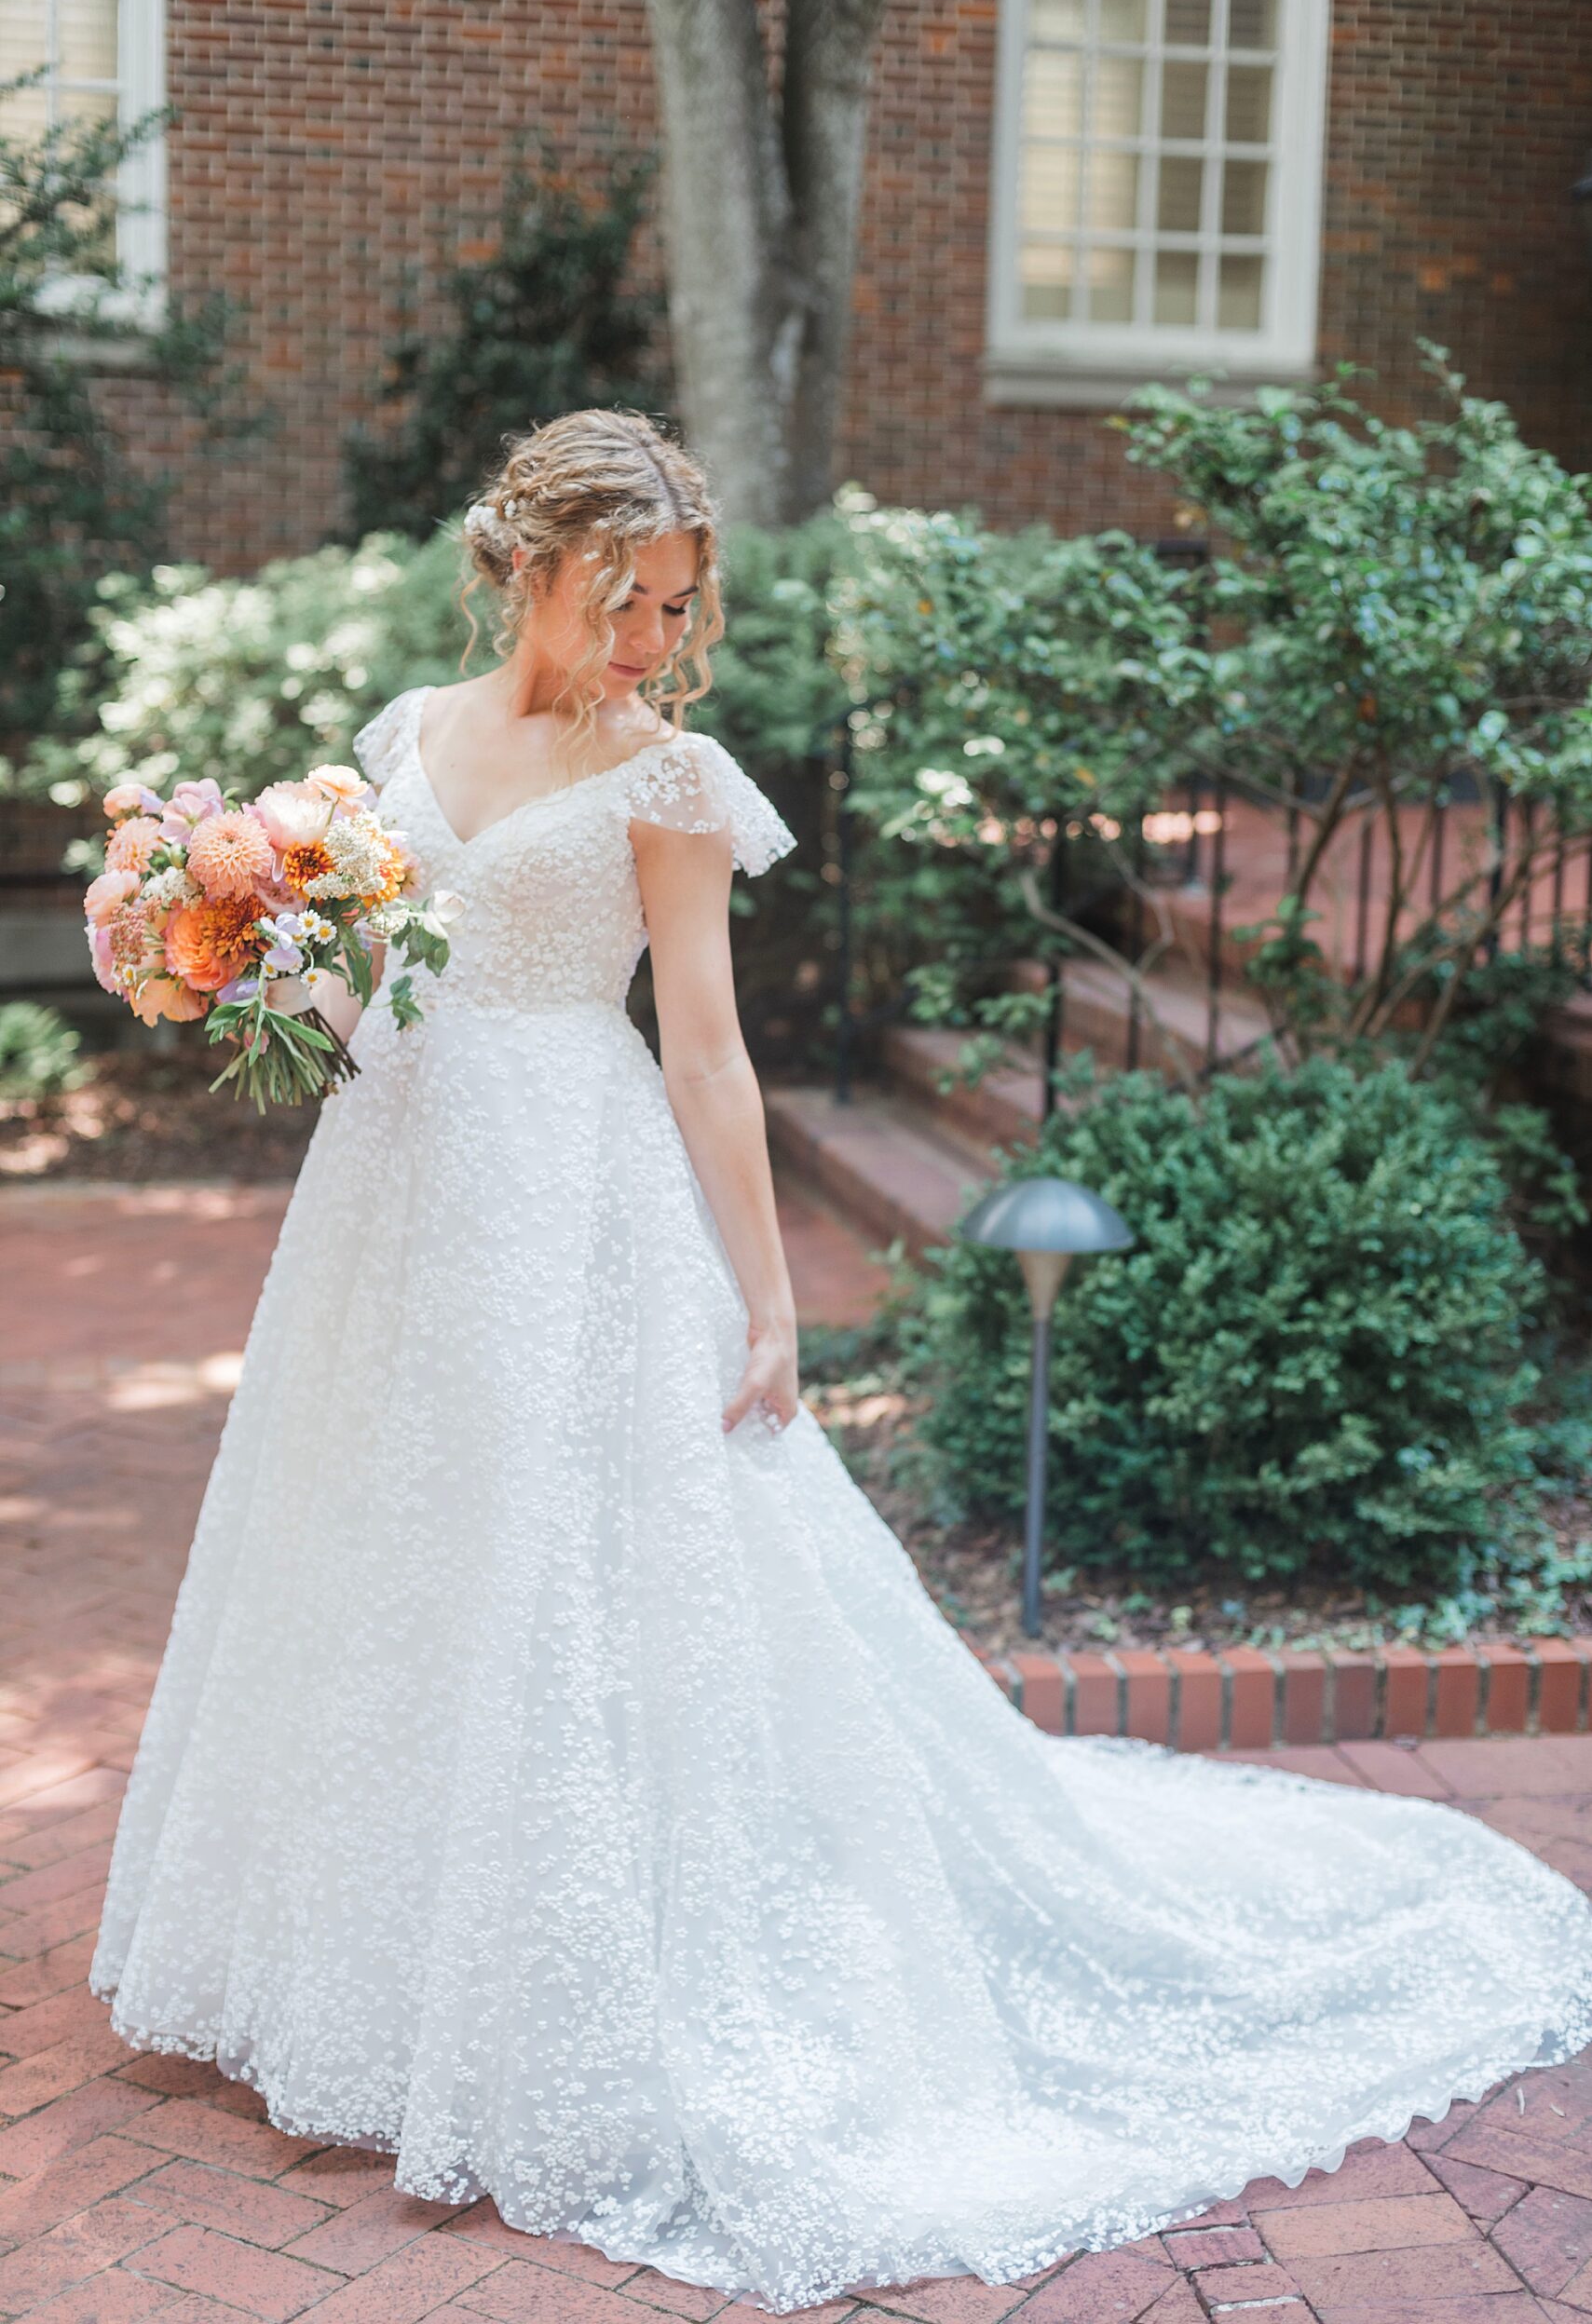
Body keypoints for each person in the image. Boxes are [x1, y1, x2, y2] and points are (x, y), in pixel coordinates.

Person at [90, 407, 1592, 2318]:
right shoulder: (395, 738)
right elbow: (391, 969)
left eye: (676, 605)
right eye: (626, 599)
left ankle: (546, 2003)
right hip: (396, 1192)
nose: (650, 639)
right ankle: (355, 1985)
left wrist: (772, 1290)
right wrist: (263, 957)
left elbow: (708, 1052)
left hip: (578, 1194)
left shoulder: (669, 773)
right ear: (533, 565)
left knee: (579, 1584)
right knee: (385, 1556)